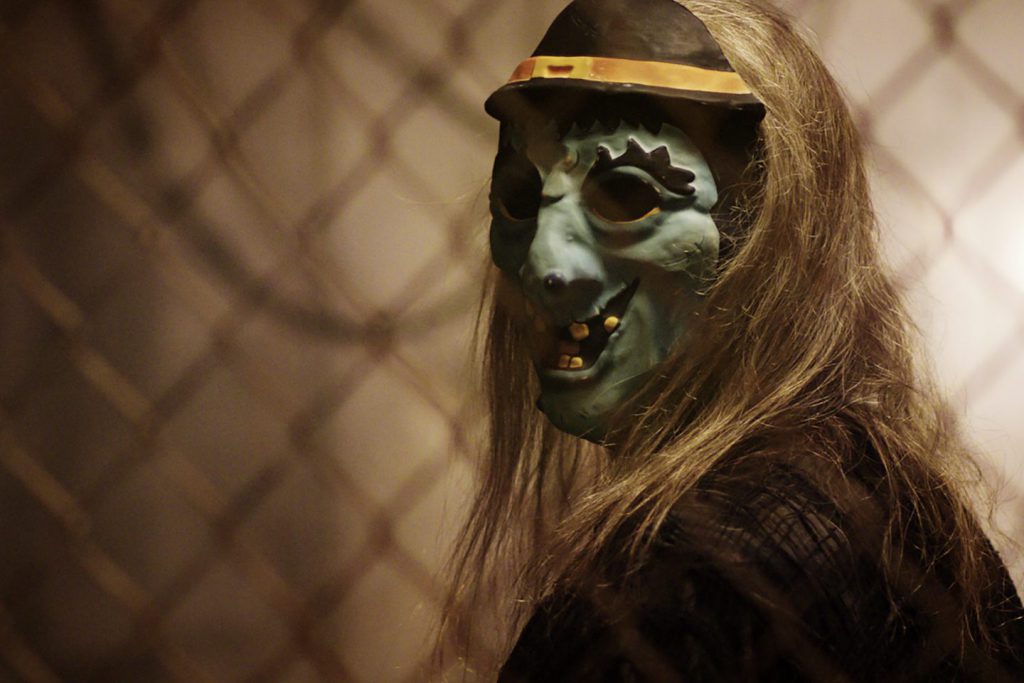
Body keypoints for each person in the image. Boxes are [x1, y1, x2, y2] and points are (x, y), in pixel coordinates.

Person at [440, 0, 1024, 679]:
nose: (545, 262)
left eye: (626, 196)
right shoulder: (885, 503)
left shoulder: (699, 577)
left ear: (765, 235)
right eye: (520, 197)